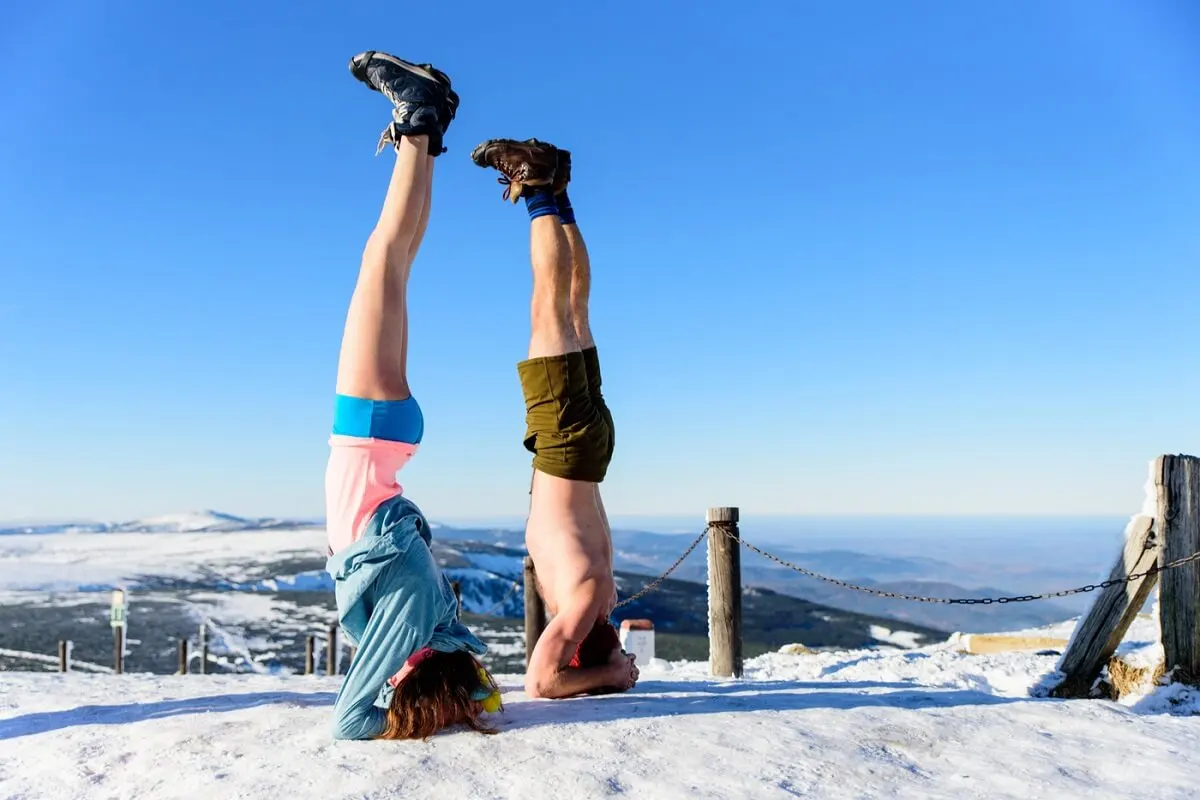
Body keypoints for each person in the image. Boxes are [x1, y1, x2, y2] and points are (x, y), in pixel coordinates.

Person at [324, 50, 500, 741]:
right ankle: (418, 119)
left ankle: (424, 131)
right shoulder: (407, 625)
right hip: (365, 434)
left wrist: (464, 696)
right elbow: (348, 723)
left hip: (383, 437)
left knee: (396, 263)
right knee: (383, 258)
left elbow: (474, 680)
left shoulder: (437, 626)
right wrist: (422, 710)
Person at [471, 139, 640, 698]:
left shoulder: (596, 597)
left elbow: (557, 671)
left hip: (585, 451)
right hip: (567, 446)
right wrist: (609, 676)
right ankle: (539, 188)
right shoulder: (587, 600)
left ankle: (560, 199)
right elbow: (539, 684)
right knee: (549, 306)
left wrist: (605, 671)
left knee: (572, 308)